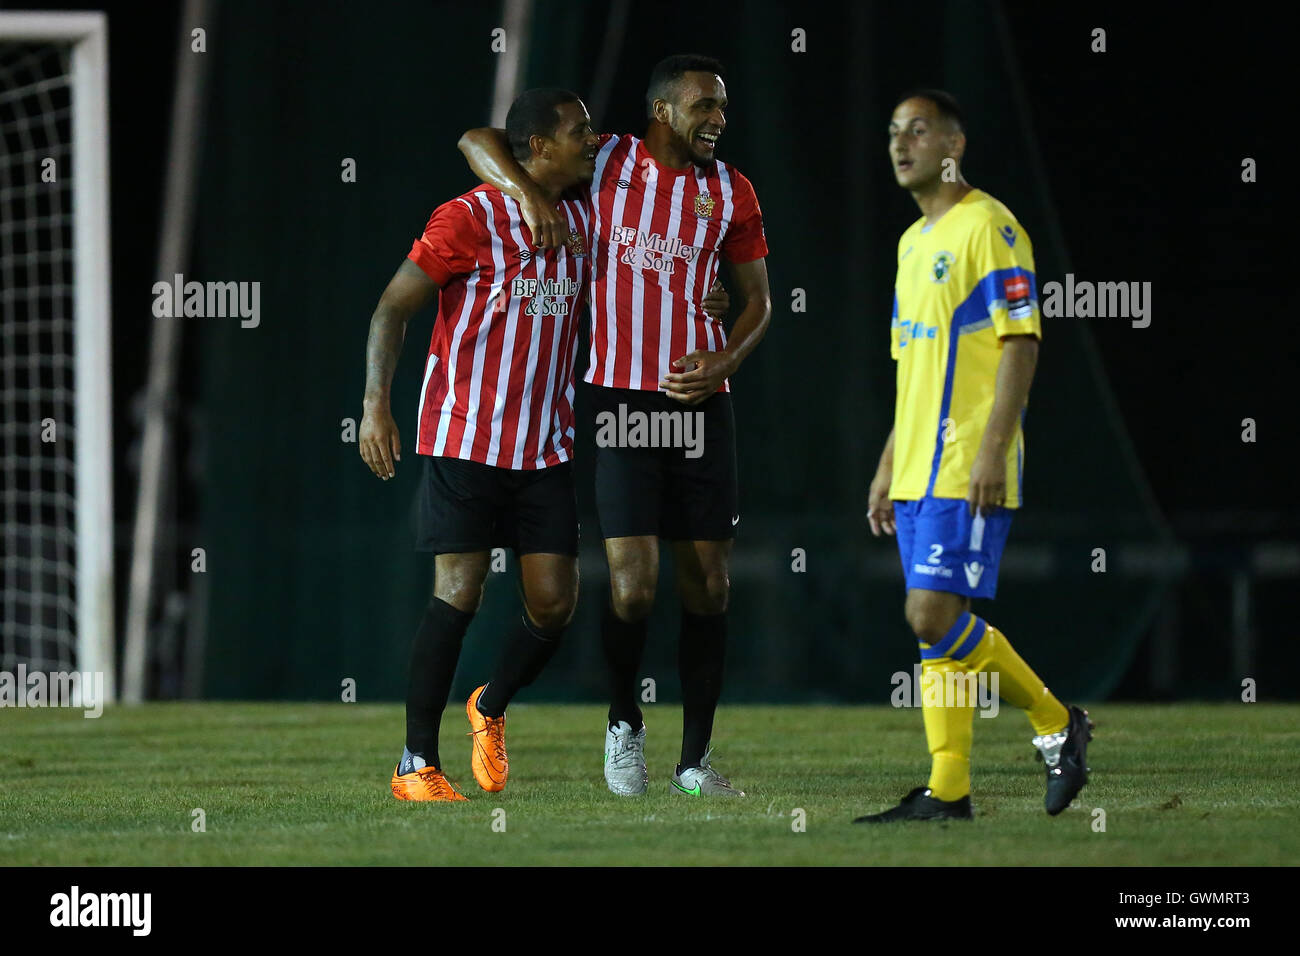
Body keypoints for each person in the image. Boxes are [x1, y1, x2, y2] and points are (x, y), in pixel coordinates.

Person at [459, 54, 771, 797]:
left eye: (722, 107)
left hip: (700, 409)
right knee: (633, 586)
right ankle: (624, 724)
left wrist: (725, 356)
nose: (718, 119)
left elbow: (759, 300)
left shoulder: (732, 192)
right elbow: (478, 138)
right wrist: (527, 197)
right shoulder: (610, 161)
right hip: (620, 401)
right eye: (703, 106)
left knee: (710, 586)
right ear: (662, 111)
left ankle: (694, 762)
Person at [857, 89, 1092, 822]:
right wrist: (889, 462)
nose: (902, 142)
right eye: (894, 130)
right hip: (919, 465)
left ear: (953, 143)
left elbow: (1022, 339)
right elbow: (913, 368)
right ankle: (949, 789)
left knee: (928, 615)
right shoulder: (910, 243)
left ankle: (1056, 721)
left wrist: (993, 449)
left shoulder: (990, 227)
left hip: (968, 464)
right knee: (940, 635)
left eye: (918, 129)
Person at [359, 88, 597, 801]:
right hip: (466, 438)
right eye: (579, 131)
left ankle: (489, 706)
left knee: (554, 605)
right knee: (459, 593)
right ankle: (415, 766)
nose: (594, 140)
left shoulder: (588, 211)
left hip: (546, 448)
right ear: (537, 147)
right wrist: (375, 406)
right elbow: (393, 307)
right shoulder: (470, 216)